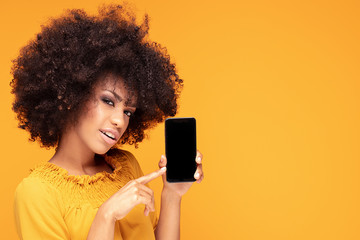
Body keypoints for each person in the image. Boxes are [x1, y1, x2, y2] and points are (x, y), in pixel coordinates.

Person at [11, 4, 204, 240]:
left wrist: (172, 194)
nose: (119, 121)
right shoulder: (36, 193)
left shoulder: (126, 167)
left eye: (128, 112)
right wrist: (106, 215)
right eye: (108, 101)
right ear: (72, 94)